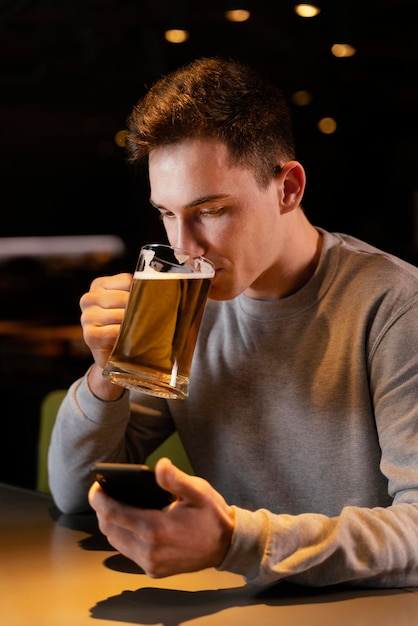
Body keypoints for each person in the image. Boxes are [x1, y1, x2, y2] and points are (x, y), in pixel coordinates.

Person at [48, 57, 418, 588]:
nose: (184, 248)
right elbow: (73, 493)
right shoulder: (186, 307)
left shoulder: (396, 307)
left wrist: (236, 541)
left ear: (288, 188)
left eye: (211, 210)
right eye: (167, 214)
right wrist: (106, 373)